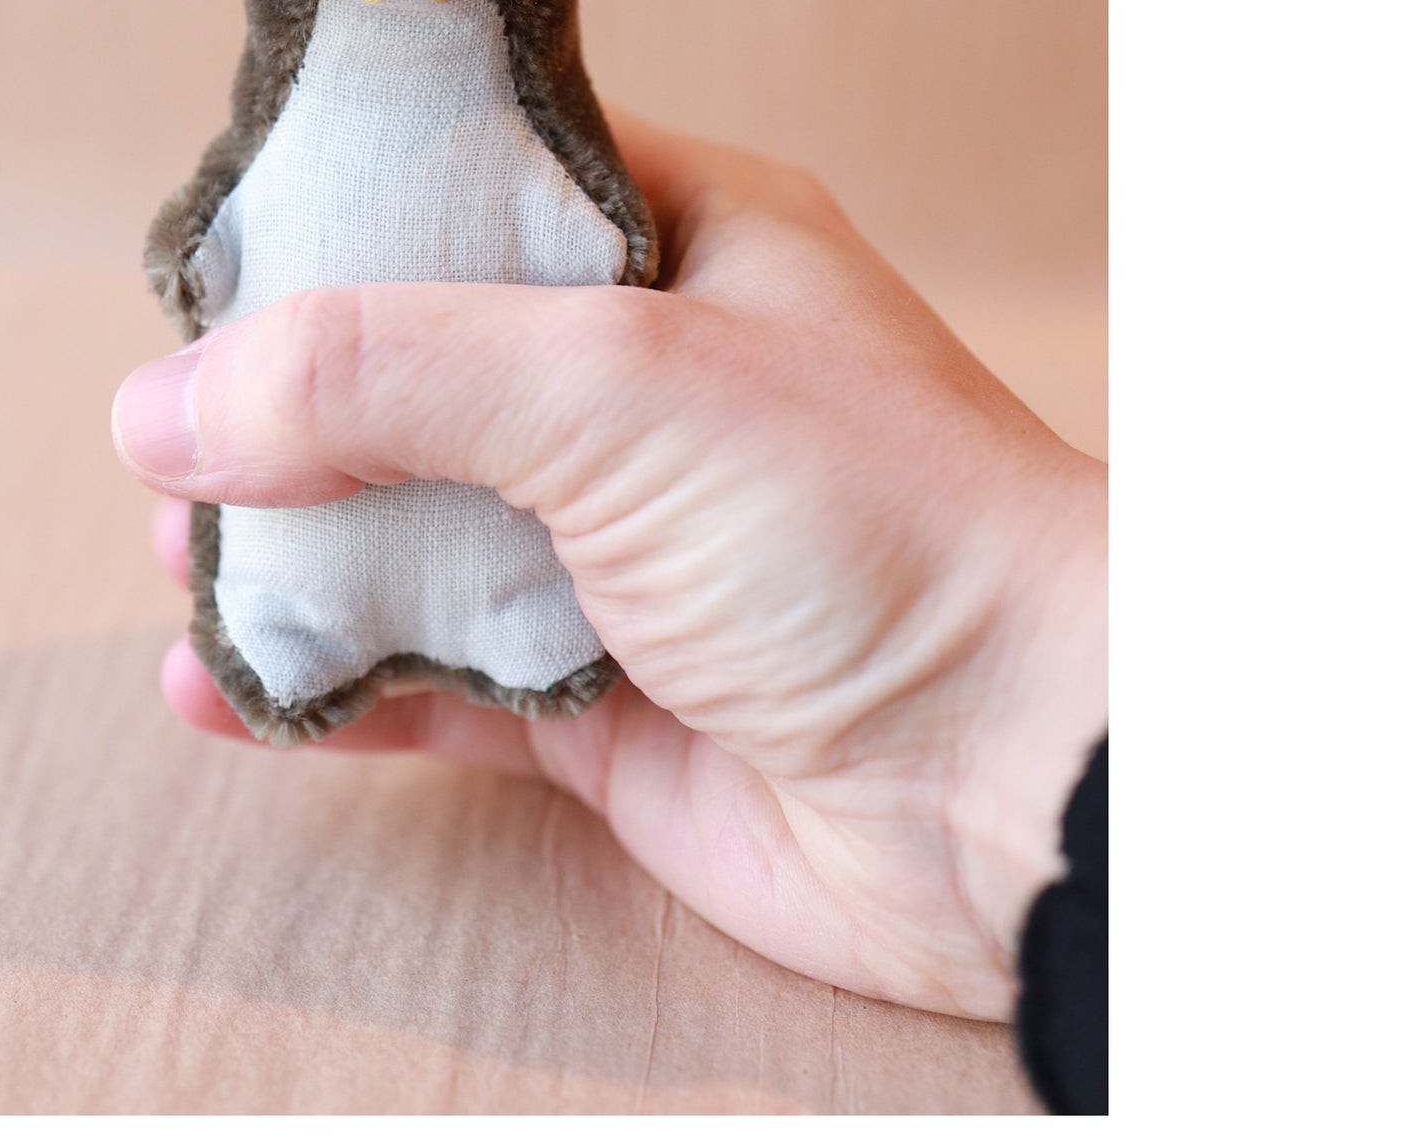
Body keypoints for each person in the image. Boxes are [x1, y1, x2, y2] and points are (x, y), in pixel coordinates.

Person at [112, 110, 1108, 1113]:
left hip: (552, 609)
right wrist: (977, 726)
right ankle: (317, 630)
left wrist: (975, 666)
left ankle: (411, 629)